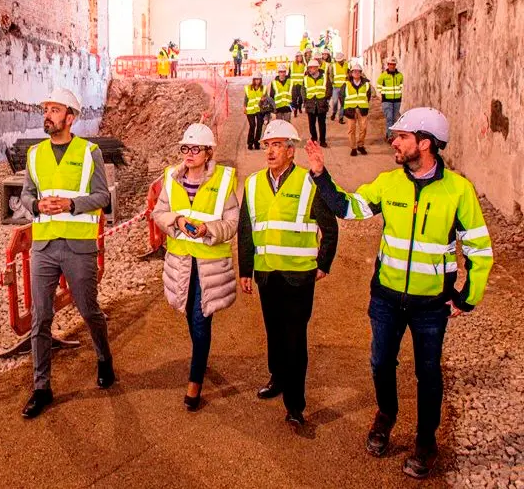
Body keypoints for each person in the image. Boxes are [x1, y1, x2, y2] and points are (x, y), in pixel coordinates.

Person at [304, 107, 494, 479]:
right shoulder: (390, 183)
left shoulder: (459, 191)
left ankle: (426, 443)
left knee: (428, 373)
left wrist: (465, 297)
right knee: (380, 363)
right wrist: (320, 175)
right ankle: (385, 416)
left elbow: (479, 250)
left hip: (431, 305)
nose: (395, 141)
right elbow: (349, 207)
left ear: (425, 144)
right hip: (386, 297)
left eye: (403, 137)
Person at [19, 88, 115, 418]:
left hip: (79, 247)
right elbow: (25, 196)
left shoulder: (90, 152)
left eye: (55, 109)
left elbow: (103, 197)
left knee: (89, 310)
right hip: (43, 247)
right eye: (46, 109)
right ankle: (41, 387)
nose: (48, 114)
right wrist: (36, 204)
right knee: (41, 316)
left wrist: (73, 204)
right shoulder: (34, 154)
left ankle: (104, 358)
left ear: (70, 118)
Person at [237, 120, 338, 427]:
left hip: (298, 275)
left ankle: (295, 404)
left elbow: (329, 227)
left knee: (295, 338)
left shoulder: (309, 183)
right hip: (267, 274)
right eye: (268, 144)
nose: (270, 150)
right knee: (274, 332)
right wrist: (245, 269)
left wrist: (323, 263)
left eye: (277, 145)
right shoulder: (253, 184)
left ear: (291, 152)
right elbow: (246, 228)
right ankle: (277, 378)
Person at [152, 123, 239, 411]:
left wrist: (207, 230)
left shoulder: (224, 181)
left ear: (208, 152)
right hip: (180, 263)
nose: (188, 154)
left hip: (209, 265)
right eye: (185, 148)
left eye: (195, 149)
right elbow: (159, 212)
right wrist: (176, 221)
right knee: (190, 314)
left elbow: (231, 223)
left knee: (202, 319)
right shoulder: (172, 178)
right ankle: (200, 357)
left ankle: (194, 382)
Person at [340, 62, 373, 156]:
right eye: (354, 71)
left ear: (361, 73)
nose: (356, 73)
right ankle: (353, 148)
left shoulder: (366, 84)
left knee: (364, 128)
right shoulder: (346, 84)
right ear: (351, 73)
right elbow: (341, 96)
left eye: (358, 72)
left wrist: (364, 104)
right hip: (350, 110)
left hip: (362, 109)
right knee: (351, 129)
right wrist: (346, 106)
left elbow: (368, 96)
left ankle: (360, 145)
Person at [303, 59, 331, 147]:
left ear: (316, 68)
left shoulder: (324, 77)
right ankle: (314, 138)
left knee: (322, 124)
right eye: (309, 68)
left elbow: (329, 88)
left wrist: (326, 99)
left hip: (321, 104)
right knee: (312, 124)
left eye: (311, 68)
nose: (310, 70)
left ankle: (323, 140)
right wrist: (306, 100)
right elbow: (303, 90)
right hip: (310, 104)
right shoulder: (306, 78)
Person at [377, 57, 404, 142]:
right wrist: (383, 94)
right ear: (388, 65)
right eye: (390, 64)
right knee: (389, 118)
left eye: (393, 64)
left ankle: (389, 133)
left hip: (397, 100)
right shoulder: (383, 76)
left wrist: (399, 95)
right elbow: (379, 86)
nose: (392, 66)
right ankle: (390, 136)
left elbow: (401, 86)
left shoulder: (400, 75)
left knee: (395, 118)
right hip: (387, 100)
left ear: (395, 65)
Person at [244, 73, 267, 150]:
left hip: (260, 110)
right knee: (252, 126)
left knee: (259, 126)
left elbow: (266, 100)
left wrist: (264, 101)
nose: (257, 81)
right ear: (253, 80)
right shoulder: (248, 88)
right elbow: (246, 99)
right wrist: (244, 107)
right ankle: (250, 143)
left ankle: (256, 142)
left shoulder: (263, 88)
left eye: (259, 79)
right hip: (250, 110)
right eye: (256, 79)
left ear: (261, 80)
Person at [330, 52, 349, 124]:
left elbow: (348, 73)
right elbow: (331, 75)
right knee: (335, 102)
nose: (339, 61)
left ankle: (341, 117)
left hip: (344, 87)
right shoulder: (333, 66)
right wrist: (332, 82)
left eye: (340, 60)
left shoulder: (347, 65)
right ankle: (334, 112)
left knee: (343, 103)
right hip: (336, 87)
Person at [290, 51, 307, 117]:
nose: (300, 58)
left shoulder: (304, 65)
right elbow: (289, 74)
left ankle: (299, 107)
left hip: (301, 84)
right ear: (296, 57)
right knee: (294, 99)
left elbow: (305, 74)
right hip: (294, 84)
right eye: (298, 57)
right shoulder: (292, 64)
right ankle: (295, 111)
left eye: (301, 57)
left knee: (300, 98)